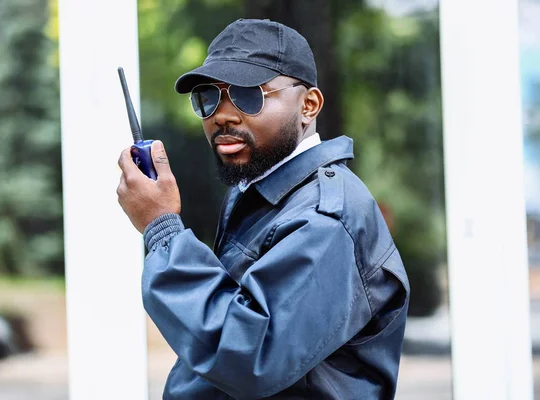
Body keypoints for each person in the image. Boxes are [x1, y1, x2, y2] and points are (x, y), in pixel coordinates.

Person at [117, 18, 410, 400]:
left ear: (309, 104)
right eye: (208, 97)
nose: (222, 114)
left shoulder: (325, 218)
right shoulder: (262, 194)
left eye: (247, 94)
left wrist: (162, 229)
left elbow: (248, 356)